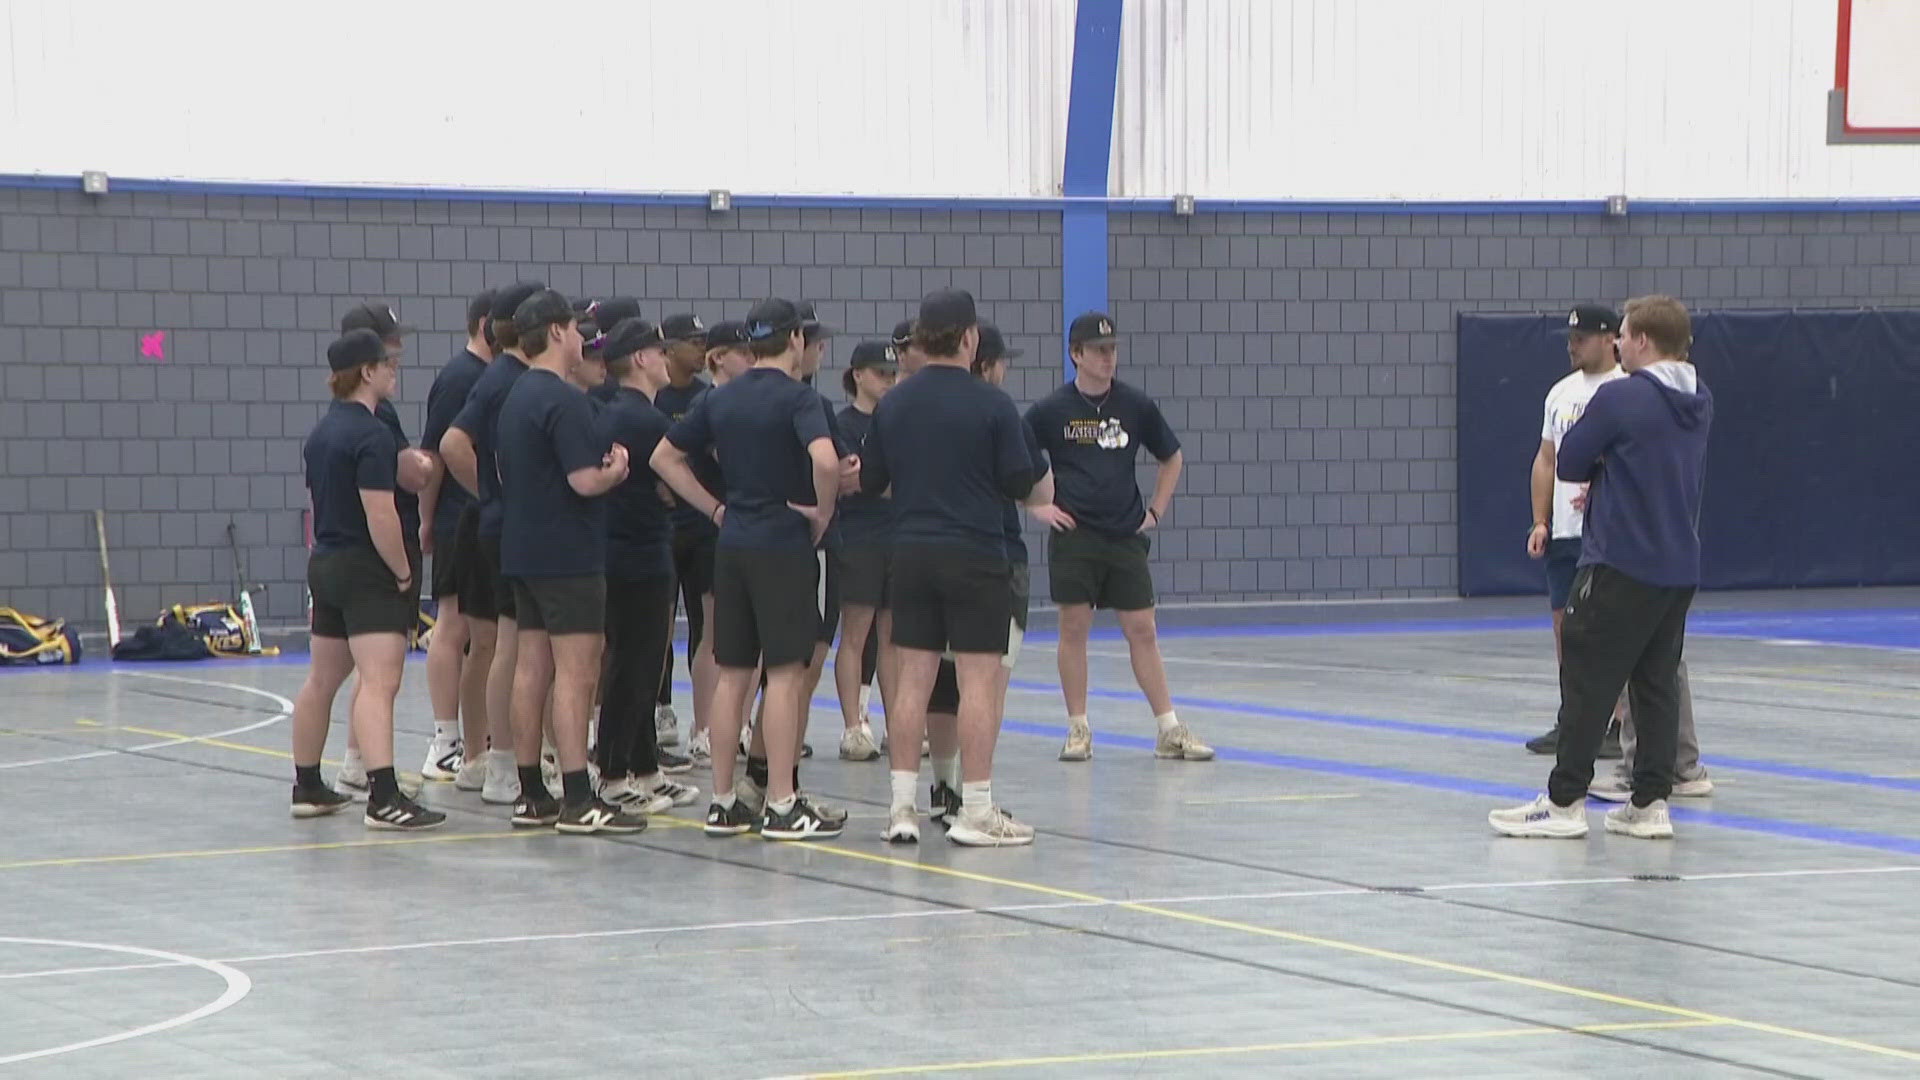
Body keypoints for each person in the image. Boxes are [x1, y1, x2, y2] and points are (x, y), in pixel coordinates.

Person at [1491, 295, 1713, 841]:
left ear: (1640, 341)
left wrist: (1604, 463)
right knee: (1656, 684)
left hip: (1620, 561)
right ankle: (1650, 802)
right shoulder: (1700, 398)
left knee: (1587, 677)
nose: (1617, 344)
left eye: (1625, 335)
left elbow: (1568, 460)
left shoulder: (1621, 396)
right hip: (1678, 565)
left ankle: (1565, 800)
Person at [651, 298, 842, 841]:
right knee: (783, 673)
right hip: (782, 544)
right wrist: (822, 513)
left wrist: (713, 507)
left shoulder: (721, 400)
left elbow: (663, 458)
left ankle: (723, 801)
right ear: (797, 341)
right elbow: (826, 461)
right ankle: (782, 802)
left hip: (732, 543)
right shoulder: (800, 399)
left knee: (733, 672)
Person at [862, 290, 1038, 846]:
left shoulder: (894, 403)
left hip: (910, 552)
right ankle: (977, 810)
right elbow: (1019, 481)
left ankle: (901, 808)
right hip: (978, 555)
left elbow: (869, 481)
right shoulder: (993, 405)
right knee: (976, 683)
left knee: (912, 680)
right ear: (970, 339)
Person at [1024, 312, 1210, 763]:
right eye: (1099, 351)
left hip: (1124, 534)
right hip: (1075, 535)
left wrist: (1155, 512)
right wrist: (1035, 506)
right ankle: (1078, 727)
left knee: (1142, 629)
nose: (1109, 359)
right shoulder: (1051, 410)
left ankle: (1168, 727)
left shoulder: (1135, 405)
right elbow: (1014, 456)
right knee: (1074, 628)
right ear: (1076, 355)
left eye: (1113, 350)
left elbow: (1173, 458)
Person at [495, 288, 644, 834]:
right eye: (577, 330)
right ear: (557, 333)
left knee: (531, 668)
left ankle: (532, 790)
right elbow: (584, 480)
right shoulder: (564, 400)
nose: (584, 340)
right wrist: (617, 470)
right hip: (569, 555)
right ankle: (580, 795)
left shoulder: (514, 397)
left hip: (524, 550)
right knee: (578, 673)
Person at [291, 329, 444, 830]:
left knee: (322, 679)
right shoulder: (373, 435)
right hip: (365, 568)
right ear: (367, 372)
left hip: (327, 563)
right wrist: (402, 571)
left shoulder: (320, 434)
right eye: (387, 364)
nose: (394, 371)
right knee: (380, 681)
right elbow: (380, 514)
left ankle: (308, 784)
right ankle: (383, 796)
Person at [439, 280, 545, 804]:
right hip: (505, 529)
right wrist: (492, 490)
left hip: (496, 524)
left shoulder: (504, 376)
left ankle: (495, 754)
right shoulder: (507, 380)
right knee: (509, 643)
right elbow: (452, 442)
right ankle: (502, 758)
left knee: (498, 644)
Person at [594, 316, 699, 812]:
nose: (665, 358)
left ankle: (644, 768)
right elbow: (675, 484)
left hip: (624, 551)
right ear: (640, 359)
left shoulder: (615, 413)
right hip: (639, 554)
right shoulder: (646, 422)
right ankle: (613, 774)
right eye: (658, 352)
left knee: (638, 664)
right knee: (632, 667)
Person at [332, 302, 438, 794]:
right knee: (381, 674)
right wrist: (400, 571)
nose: (399, 353)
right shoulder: (377, 419)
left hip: (340, 556)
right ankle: (378, 782)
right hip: (376, 557)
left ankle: (352, 764)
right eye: (390, 346)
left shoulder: (340, 421)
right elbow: (404, 479)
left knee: (352, 673)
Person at [1525, 304, 1625, 761]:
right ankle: (1574, 717)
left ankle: (1618, 721)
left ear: (1610, 338)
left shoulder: (1627, 389)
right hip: (1565, 530)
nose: (1573, 346)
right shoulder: (1559, 394)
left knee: (1610, 627)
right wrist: (1541, 520)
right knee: (1565, 626)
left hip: (1608, 531)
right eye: (1570, 338)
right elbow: (1546, 459)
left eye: (1582, 338)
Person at [419, 289, 497, 789]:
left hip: (481, 520)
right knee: (452, 625)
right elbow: (435, 455)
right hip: (455, 518)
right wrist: (427, 521)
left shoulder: (489, 377)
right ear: (487, 323)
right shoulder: (458, 379)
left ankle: (475, 737)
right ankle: (446, 741)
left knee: (480, 632)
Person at [654, 317, 727, 764]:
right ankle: (660, 708)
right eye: (693, 342)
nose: (701, 350)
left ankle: (707, 725)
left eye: (705, 342)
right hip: (664, 527)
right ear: (668, 348)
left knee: (708, 626)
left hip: (703, 525)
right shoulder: (656, 394)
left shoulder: (707, 398)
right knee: (657, 629)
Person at [830, 340, 898, 761]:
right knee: (855, 634)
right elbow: (846, 481)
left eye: (893, 374)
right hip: (857, 536)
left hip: (896, 534)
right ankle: (853, 726)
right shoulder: (843, 424)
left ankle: (896, 724)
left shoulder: (899, 421)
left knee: (893, 638)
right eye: (880, 374)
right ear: (858, 375)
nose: (889, 381)